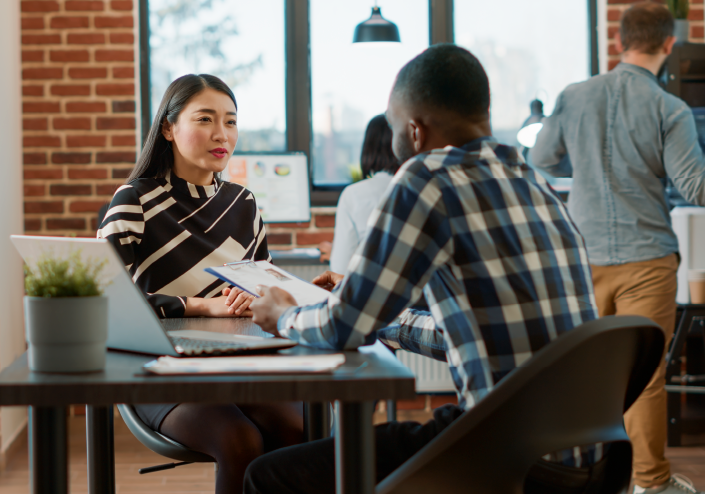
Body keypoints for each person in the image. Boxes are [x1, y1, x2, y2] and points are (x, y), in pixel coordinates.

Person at [246, 44, 603, 493]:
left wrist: (283, 315)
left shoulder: (424, 180)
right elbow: (482, 333)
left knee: (269, 475)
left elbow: (342, 329)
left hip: (501, 452)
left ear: (414, 131)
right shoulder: (533, 182)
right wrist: (380, 317)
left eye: (393, 125)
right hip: (588, 454)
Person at [530, 2, 705, 494]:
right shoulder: (670, 108)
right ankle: (650, 483)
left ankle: (578, 476)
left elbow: (539, 159)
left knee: (581, 372)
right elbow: (698, 186)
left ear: (619, 43)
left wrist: (588, 172)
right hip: (648, 259)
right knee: (644, 375)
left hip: (584, 259)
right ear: (669, 45)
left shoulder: (573, 96)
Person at [97, 74, 302, 494]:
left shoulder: (243, 204)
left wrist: (258, 298)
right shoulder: (134, 201)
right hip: (160, 368)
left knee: (301, 428)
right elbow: (105, 302)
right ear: (169, 129)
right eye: (205, 119)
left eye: (230, 121)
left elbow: (261, 285)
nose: (221, 133)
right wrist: (198, 306)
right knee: (238, 440)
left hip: (239, 361)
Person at [326, 114, 400, 274]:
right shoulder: (423, 187)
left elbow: (340, 268)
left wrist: (335, 252)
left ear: (368, 147)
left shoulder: (354, 195)